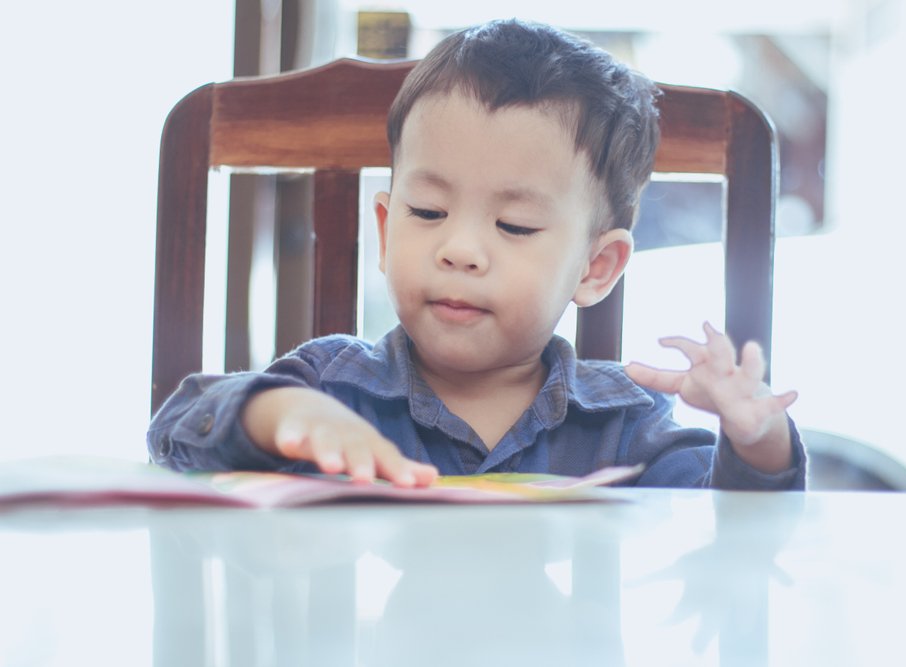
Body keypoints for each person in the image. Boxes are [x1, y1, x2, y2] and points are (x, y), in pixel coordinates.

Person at [147, 18, 805, 490]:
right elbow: (174, 432)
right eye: (427, 213)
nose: (459, 249)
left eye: (514, 225)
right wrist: (273, 413)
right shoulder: (331, 385)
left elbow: (734, 537)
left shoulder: (625, 421)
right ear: (385, 230)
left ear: (595, 267)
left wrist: (757, 442)